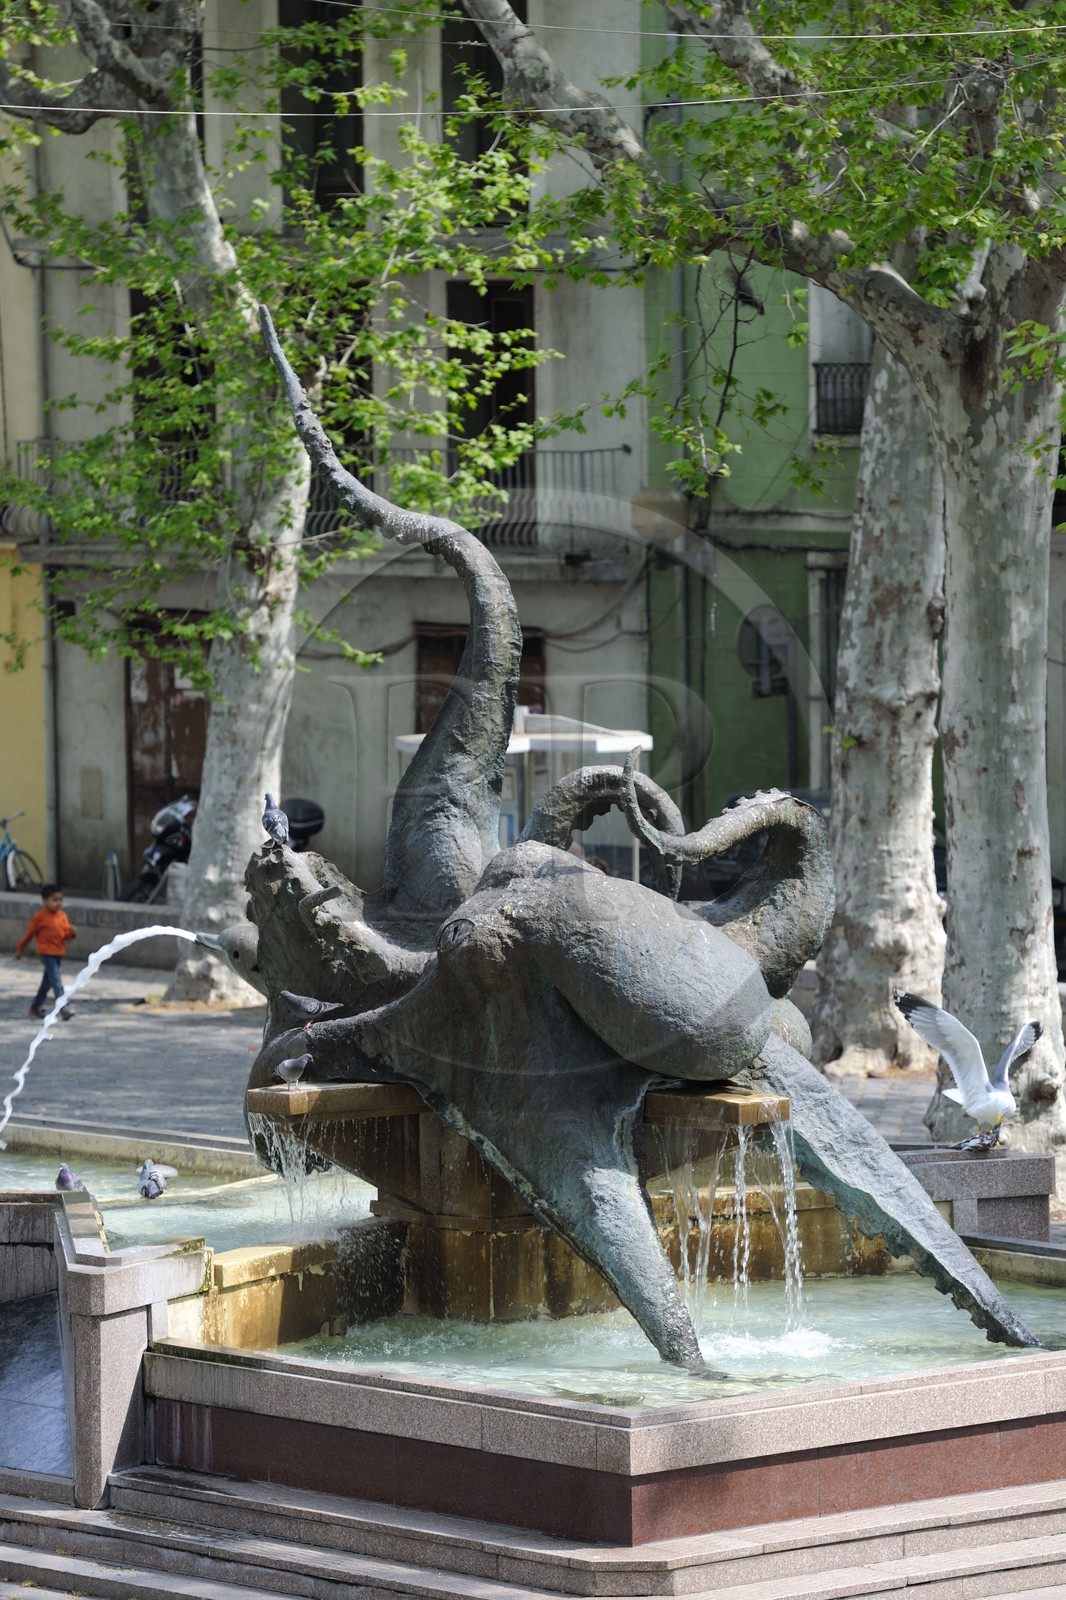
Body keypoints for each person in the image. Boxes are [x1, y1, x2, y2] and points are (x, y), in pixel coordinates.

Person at [14, 884, 77, 1020]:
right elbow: (29, 934)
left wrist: (71, 933)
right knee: (56, 981)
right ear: (44, 901)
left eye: (60, 899)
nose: (58, 903)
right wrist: (20, 949)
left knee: (47, 983)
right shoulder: (40, 917)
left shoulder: (62, 916)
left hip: (58, 953)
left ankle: (35, 1007)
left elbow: (65, 935)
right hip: (47, 954)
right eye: (54, 899)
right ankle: (64, 1007)